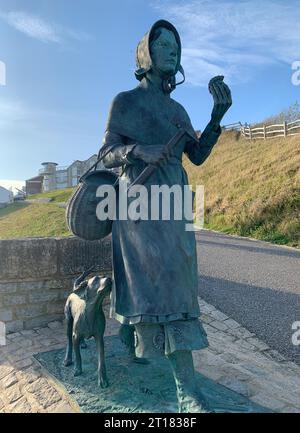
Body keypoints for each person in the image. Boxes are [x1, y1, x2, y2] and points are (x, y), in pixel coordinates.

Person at [98, 20, 232, 412]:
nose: (173, 51)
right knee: (150, 281)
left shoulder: (177, 110)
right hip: (137, 203)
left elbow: (198, 154)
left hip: (174, 203)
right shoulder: (125, 102)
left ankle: (135, 340)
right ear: (147, 54)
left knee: (177, 281)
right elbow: (106, 153)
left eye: (177, 45)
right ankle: (186, 390)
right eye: (165, 45)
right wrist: (138, 150)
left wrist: (216, 117)